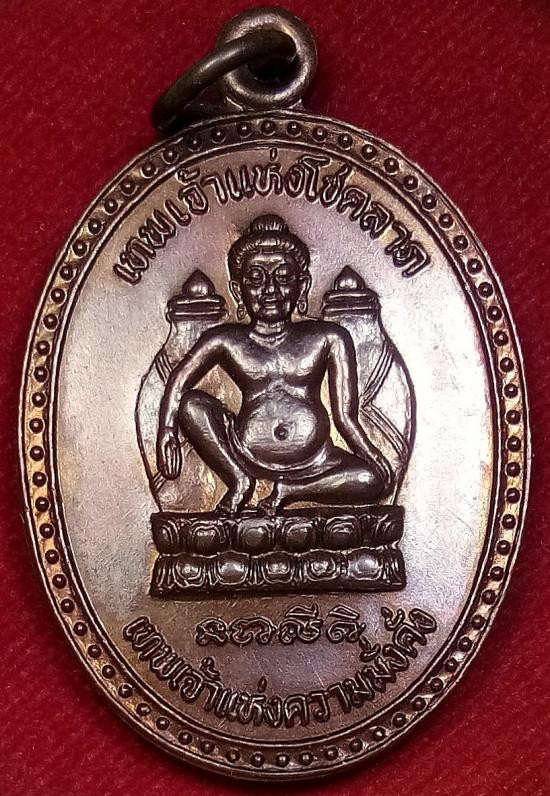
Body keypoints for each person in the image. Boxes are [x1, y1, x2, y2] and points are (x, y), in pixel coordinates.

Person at [157, 214, 392, 516]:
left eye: (283, 277)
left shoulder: (329, 337)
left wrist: (369, 453)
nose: (270, 290)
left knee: (371, 480)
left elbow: (345, 417)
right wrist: (167, 428)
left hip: (318, 461)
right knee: (190, 404)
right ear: (238, 289)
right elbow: (180, 380)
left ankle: (291, 491)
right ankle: (238, 480)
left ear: (302, 286)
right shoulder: (226, 340)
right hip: (242, 451)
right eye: (256, 279)